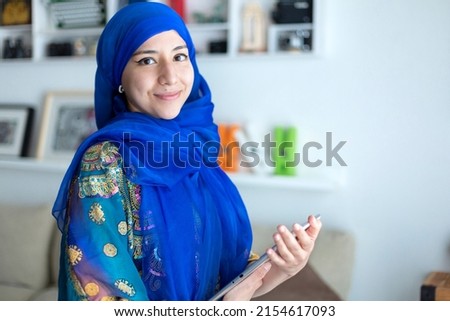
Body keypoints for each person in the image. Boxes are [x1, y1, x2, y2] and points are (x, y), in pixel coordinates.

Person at [52, 2, 322, 301]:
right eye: (146, 61)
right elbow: (100, 298)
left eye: (180, 56)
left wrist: (285, 268)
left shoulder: (195, 149)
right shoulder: (105, 161)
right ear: (118, 77)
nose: (170, 76)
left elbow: (226, 282)